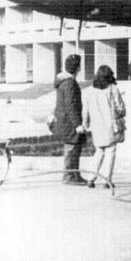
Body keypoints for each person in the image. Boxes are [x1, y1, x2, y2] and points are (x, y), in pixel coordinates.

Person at [82, 64, 126, 189]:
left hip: (96, 128)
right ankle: (107, 180)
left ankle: (91, 179)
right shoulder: (113, 89)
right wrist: (122, 113)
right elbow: (120, 108)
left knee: (99, 152)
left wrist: (85, 124)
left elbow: (85, 111)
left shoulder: (90, 91)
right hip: (110, 127)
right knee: (111, 151)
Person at [49, 54, 87, 185]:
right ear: (77, 68)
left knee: (74, 146)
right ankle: (69, 176)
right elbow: (71, 105)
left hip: (64, 119)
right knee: (72, 147)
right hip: (69, 122)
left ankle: (74, 175)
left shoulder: (63, 82)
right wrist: (77, 124)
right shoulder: (70, 83)